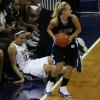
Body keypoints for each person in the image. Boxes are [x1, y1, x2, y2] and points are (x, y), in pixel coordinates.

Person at [46, 2, 81, 97]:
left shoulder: (73, 18)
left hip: (71, 44)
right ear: (63, 11)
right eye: (69, 9)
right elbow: (48, 29)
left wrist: (71, 37)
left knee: (70, 66)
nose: (71, 11)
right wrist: (54, 37)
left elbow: (79, 29)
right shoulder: (55, 21)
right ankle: (50, 83)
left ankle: (63, 88)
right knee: (59, 66)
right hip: (59, 46)